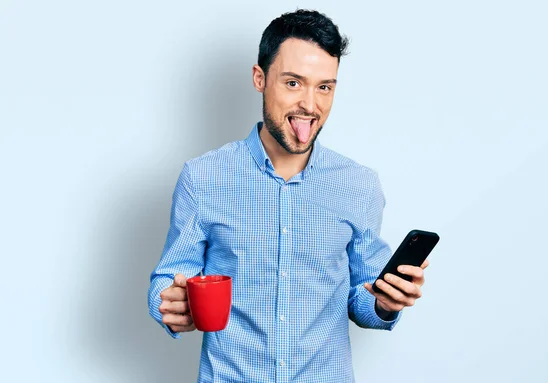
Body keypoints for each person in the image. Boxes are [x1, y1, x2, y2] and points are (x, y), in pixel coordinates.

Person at [148, 9, 429, 383]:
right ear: (260, 78)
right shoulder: (203, 177)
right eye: (294, 83)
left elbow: (361, 297)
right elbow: (168, 278)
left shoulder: (358, 185)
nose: (310, 106)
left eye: (324, 86)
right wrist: (168, 301)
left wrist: (384, 303)